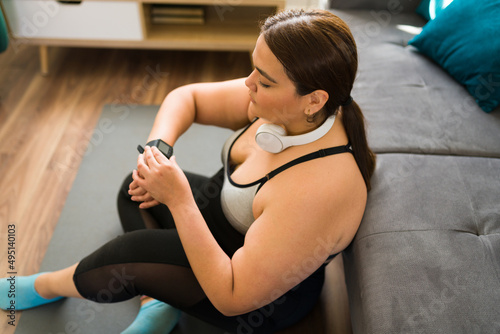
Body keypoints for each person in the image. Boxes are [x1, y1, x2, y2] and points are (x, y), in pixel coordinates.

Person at [0, 8, 375, 334]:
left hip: (254, 297)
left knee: (129, 255)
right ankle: (158, 303)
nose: (248, 84)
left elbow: (233, 296)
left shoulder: (321, 187)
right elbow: (188, 98)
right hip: (225, 220)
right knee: (135, 189)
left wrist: (179, 200)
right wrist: (157, 152)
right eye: (253, 68)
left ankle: (41, 288)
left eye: (263, 80)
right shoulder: (284, 107)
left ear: (315, 100)